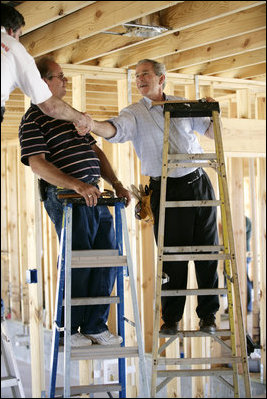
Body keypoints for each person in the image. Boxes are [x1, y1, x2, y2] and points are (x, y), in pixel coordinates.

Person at [88, 59, 220, 334]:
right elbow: (115, 130)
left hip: (198, 183)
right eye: (136, 76)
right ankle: (171, 319)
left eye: (144, 74)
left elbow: (209, 131)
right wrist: (91, 124)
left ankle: (208, 316)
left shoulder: (182, 104)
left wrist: (211, 109)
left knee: (207, 252)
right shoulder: (134, 113)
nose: (139, 80)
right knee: (172, 256)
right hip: (165, 188)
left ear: (161, 79)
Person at [18, 57, 131, 347]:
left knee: (106, 258)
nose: (65, 80)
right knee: (77, 260)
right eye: (60, 76)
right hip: (68, 198)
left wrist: (115, 182)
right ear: (43, 82)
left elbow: (96, 152)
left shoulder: (71, 117)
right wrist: (76, 185)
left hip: (93, 194)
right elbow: (38, 165)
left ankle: (94, 325)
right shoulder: (33, 118)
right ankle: (67, 330)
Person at [1, 4, 91, 134]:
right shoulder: (12, 46)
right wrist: (81, 119)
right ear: (10, 31)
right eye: (19, 35)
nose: (18, 40)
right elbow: (51, 107)